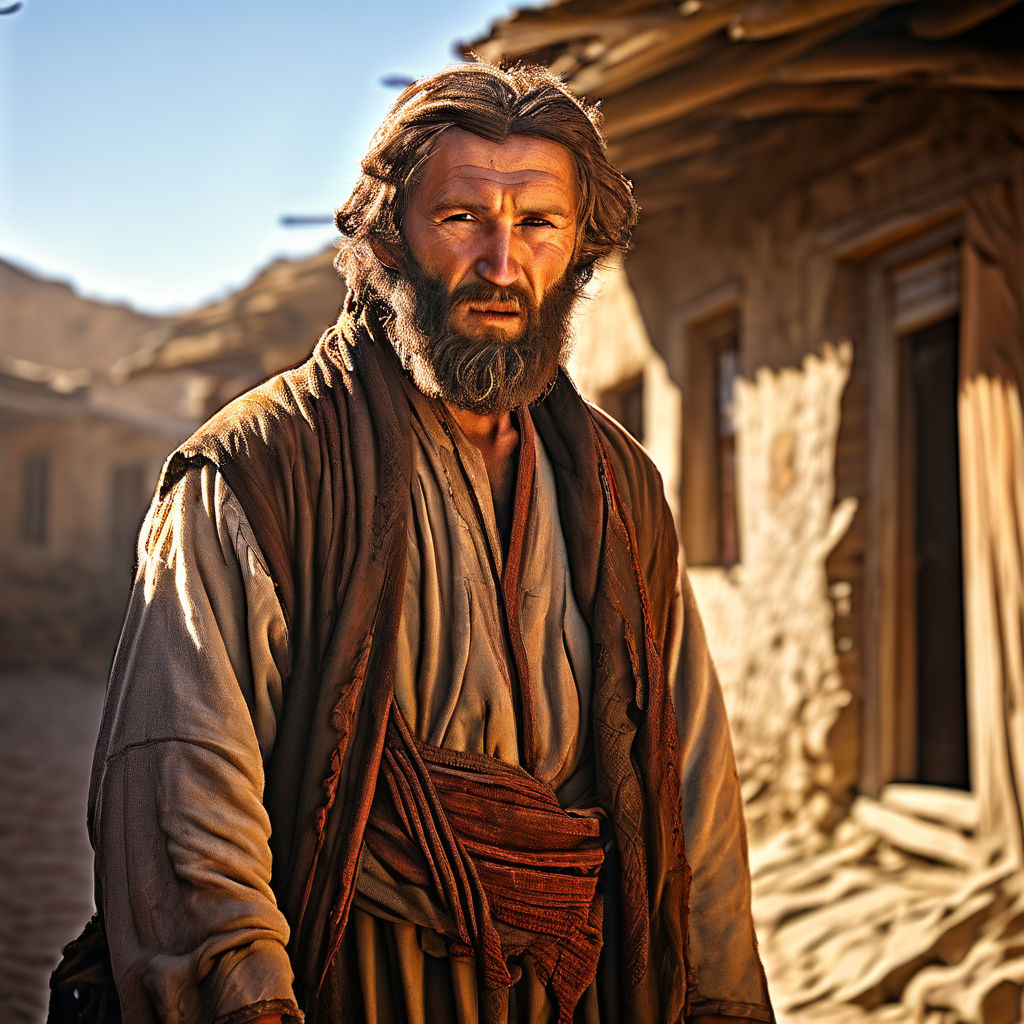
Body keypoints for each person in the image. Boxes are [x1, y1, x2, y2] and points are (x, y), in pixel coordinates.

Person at [62, 62, 774, 1024]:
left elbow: (695, 794)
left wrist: (722, 1005)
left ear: (580, 248)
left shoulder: (620, 488)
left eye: (537, 226)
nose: (501, 263)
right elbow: (183, 799)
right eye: (461, 219)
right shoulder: (258, 473)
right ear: (389, 239)